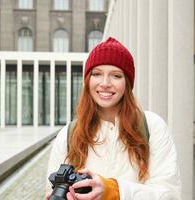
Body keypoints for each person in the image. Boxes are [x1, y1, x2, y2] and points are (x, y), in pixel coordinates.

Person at [45, 37, 181, 200]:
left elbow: (170, 194)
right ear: (87, 81)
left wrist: (113, 191)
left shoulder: (152, 126)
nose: (105, 83)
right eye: (96, 74)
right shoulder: (68, 134)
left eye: (116, 76)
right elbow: (51, 190)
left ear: (127, 83)